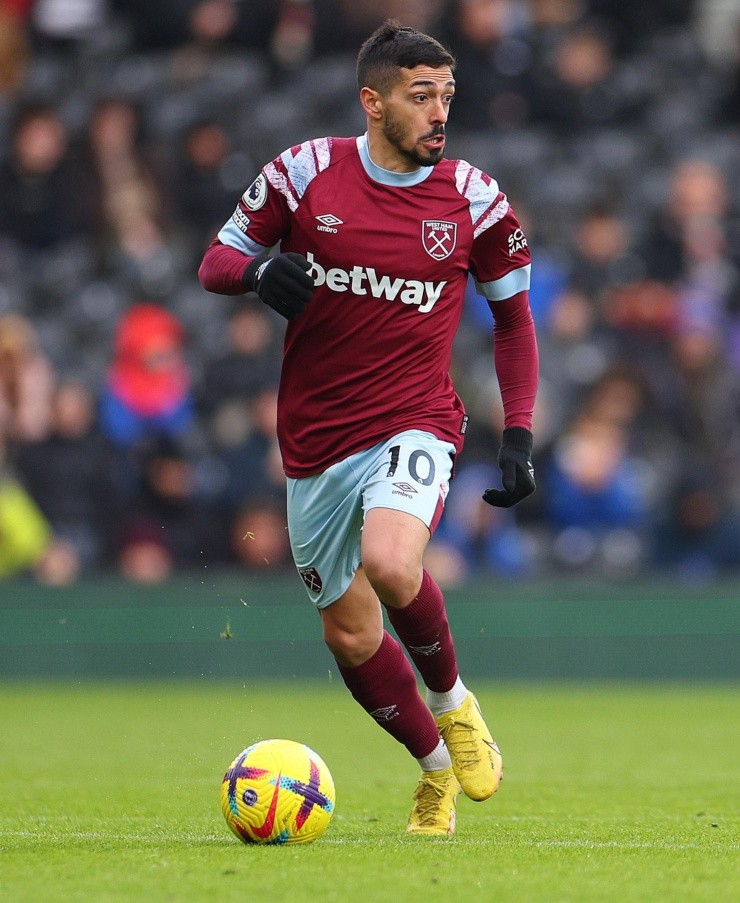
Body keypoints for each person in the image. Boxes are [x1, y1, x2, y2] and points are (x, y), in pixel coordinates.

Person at [199, 20, 538, 837]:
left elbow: (515, 320)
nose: (438, 113)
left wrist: (518, 430)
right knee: (349, 633)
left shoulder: (474, 198)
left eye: (446, 96)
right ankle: (432, 773)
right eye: (421, 97)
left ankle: (456, 706)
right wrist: (259, 271)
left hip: (416, 416)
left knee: (392, 561)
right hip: (316, 438)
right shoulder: (305, 172)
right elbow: (216, 260)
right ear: (373, 100)